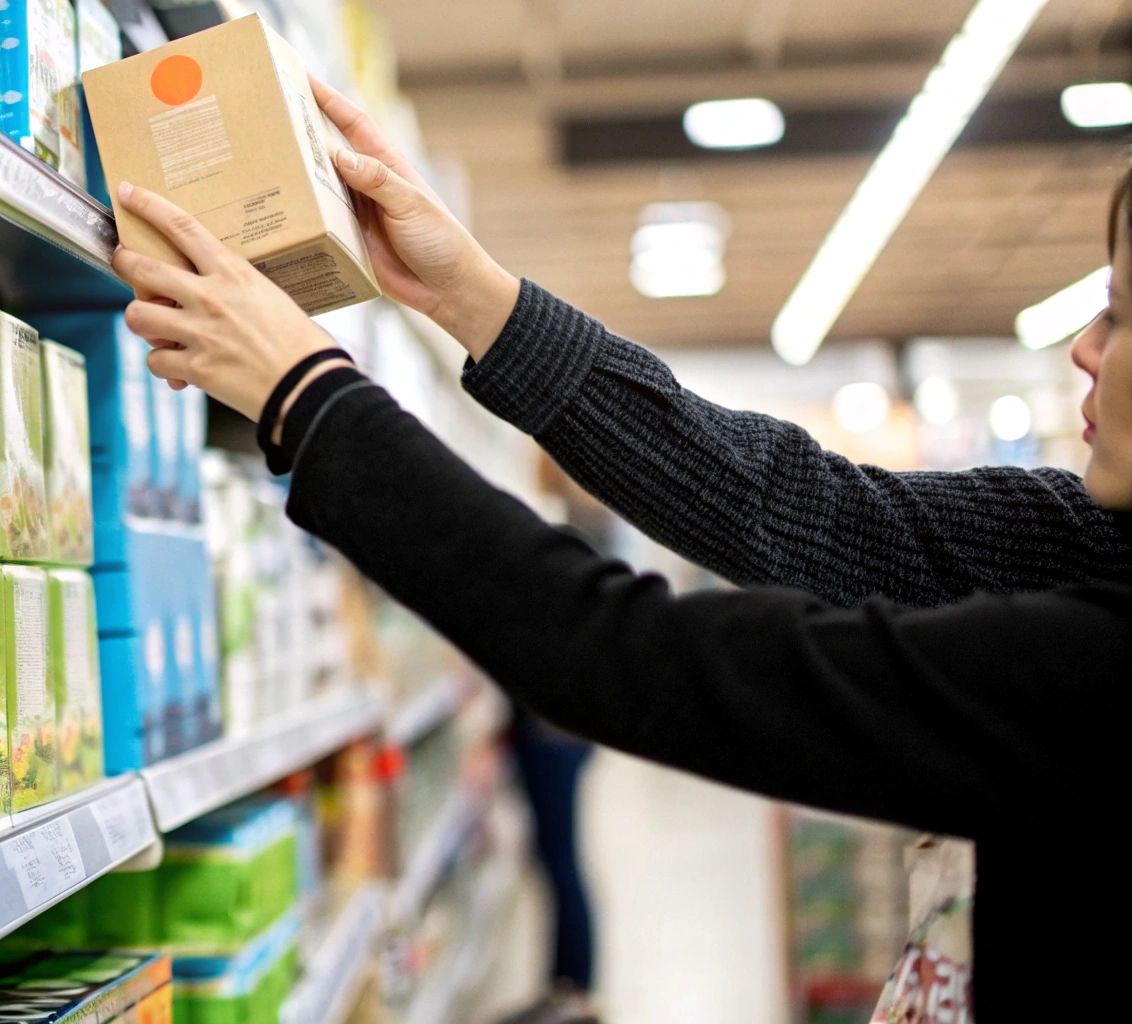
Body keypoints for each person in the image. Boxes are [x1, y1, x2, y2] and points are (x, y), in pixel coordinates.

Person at [102, 89, 1132, 1017]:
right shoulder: (1097, 545)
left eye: (1120, 313)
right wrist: (478, 301)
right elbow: (789, 505)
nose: (1081, 347)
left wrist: (312, 398)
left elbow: (623, 651)